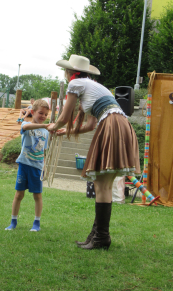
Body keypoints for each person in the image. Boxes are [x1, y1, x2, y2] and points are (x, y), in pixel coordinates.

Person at [47, 54, 140, 250]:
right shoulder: (94, 87)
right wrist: (66, 131)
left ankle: (101, 238)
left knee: (102, 185)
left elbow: (64, 116)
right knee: (101, 184)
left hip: (111, 124)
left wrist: (55, 126)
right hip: (119, 125)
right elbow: (90, 125)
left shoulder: (76, 84)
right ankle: (96, 235)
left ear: (69, 72)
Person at [5, 99, 49, 232]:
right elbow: (25, 128)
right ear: (32, 112)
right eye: (40, 113)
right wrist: (46, 126)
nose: (43, 116)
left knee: (37, 195)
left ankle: (36, 223)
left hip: (37, 167)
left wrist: (44, 166)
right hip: (24, 165)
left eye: (46, 115)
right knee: (19, 194)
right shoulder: (25, 123)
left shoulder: (46, 132)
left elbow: (43, 151)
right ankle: (13, 221)